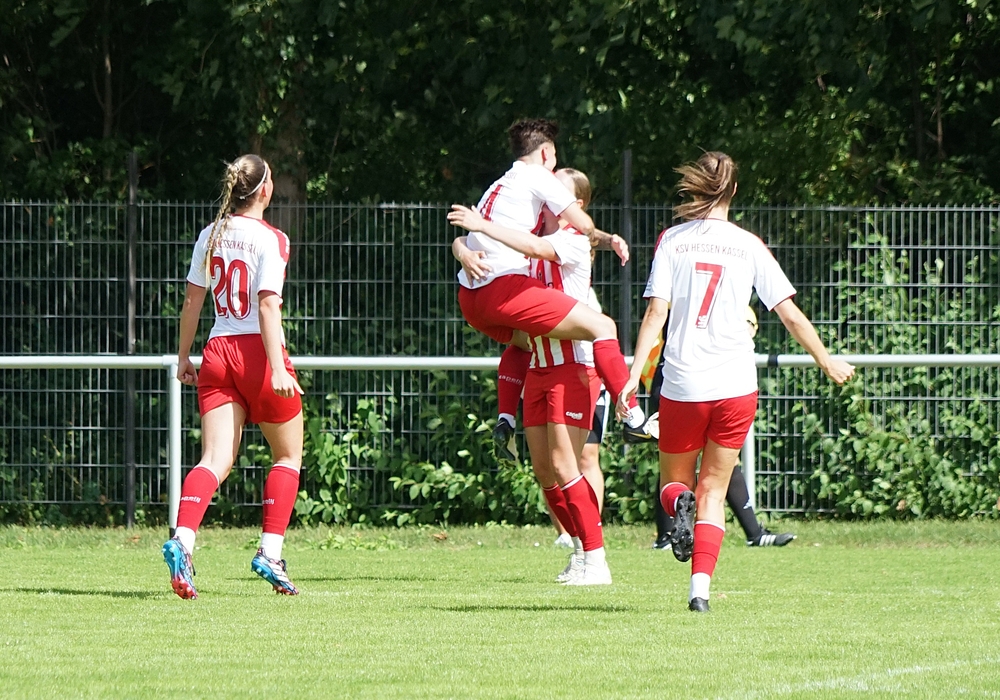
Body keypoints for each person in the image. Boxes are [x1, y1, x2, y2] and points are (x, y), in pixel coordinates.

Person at [621, 152, 855, 612]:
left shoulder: (673, 240)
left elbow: (655, 313)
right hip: (736, 386)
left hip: (684, 384)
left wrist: (633, 372)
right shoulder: (749, 245)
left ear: (697, 186)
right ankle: (699, 594)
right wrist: (826, 361)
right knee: (713, 490)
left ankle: (679, 505)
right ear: (733, 190)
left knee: (674, 484)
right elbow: (789, 313)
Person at [450, 118, 653, 464]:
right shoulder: (540, 183)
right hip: (526, 316)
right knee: (603, 326)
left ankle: (505, 419)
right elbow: (580, 227)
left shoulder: (499, 187)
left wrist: (462, 248)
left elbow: (475, 235)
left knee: (523, 343)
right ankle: (633, 416)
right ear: (546, 153)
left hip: (473, 298)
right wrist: (466, 245)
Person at [453, 168, 611, 585]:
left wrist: (481, 225)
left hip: (573, 367)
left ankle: (596, 558)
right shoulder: (526, 247)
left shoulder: (570, 241)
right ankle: (581, 550)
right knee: (545, 472)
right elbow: (490, 243)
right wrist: (462, 248)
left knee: (567, 464)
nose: (544, 201)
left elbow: (538, 243)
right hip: (539, 366)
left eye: (555, 196)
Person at [162, 154, 305, 600]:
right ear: (266, 189)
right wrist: (277, 367)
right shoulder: (273, 238)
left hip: (217, 352)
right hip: (257, 353)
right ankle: (270, 553)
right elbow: (267, 304)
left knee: (214, 459)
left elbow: (192, 301)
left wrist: (184, 358)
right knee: (287, 456)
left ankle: (183, 540)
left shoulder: (211, 234)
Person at [638, 306, 796, 549]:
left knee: (710, 464)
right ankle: (669, 536)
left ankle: (750, 533)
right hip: (685, 381)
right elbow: (656, 313)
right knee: (681, 467)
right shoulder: (684, 293)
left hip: (705, 381)